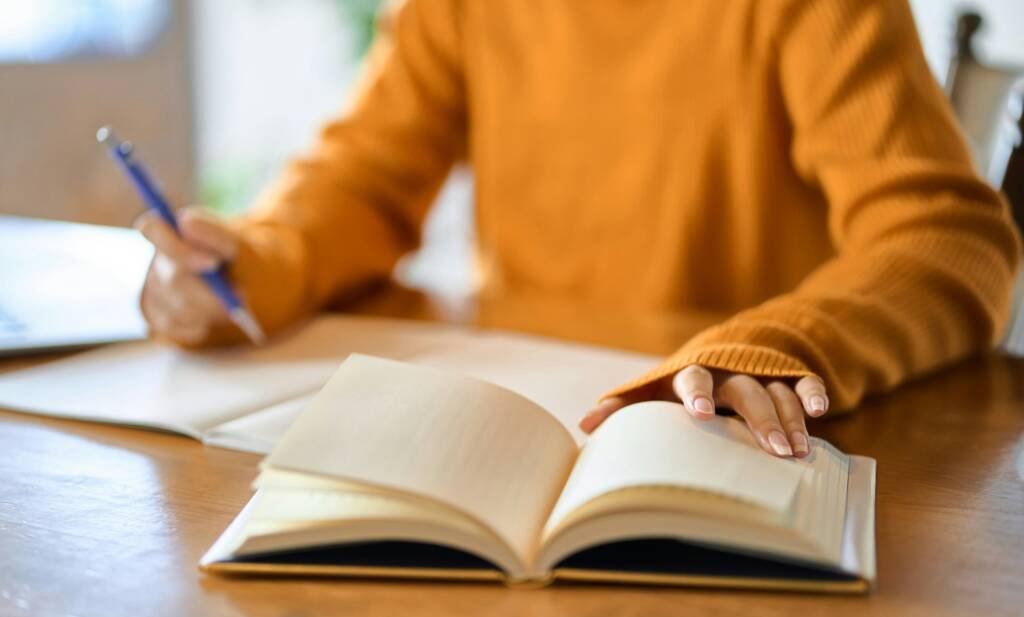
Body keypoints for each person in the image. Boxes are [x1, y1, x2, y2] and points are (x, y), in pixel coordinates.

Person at [134, 0, 1021, 458]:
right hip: (517, 414)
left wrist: (781, 345)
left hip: (731, 433)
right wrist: (247, 267)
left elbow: (948, 239)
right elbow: (364, 181)